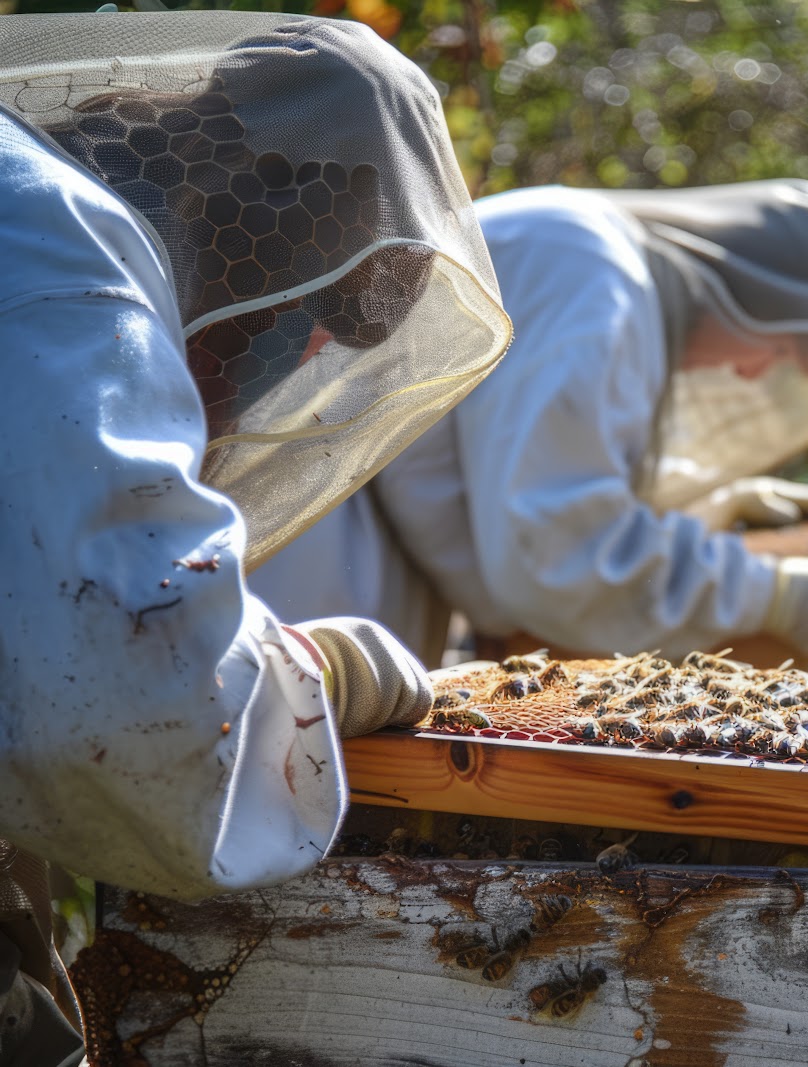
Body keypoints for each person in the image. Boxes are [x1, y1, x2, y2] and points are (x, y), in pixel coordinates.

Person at [0, 12, 510, 1064]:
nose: (258, 379)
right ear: (228, 234)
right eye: (279, 328)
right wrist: (308, 673)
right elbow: (122, 724)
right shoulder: (59, 250)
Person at [253, 181, 808, 667]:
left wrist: (711, 511)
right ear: (749, 297)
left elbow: (507, 476)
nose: (754, 374)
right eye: (779, 351)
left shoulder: (587, 259)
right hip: (314, 562)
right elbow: (553, 550)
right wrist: (769, 597)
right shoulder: (592, 277)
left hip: (343, 545)